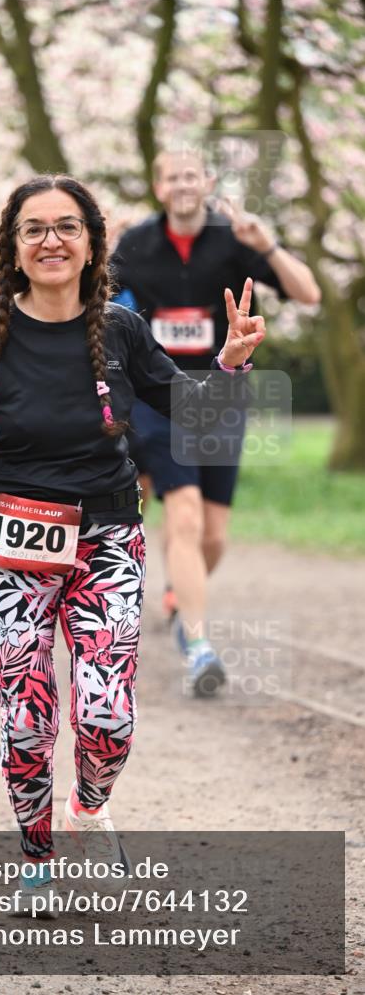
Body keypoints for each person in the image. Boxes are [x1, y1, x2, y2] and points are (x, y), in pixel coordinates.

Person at [0, 174, 266, 905]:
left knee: (107, 715)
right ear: (13, 247)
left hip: (105, 541)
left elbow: (192, 414)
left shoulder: (122, 331)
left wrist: (229, 363)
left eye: (66, 226)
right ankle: (37, 855)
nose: (51, 240)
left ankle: (88, 809)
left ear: (92, 242)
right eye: (33, 228)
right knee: (27, 719)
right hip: (11, 549)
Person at [111, 147, 321, 694]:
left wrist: (268, 246)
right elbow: (90, 304)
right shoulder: (135, 245)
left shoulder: (235, 239)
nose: (183, 184)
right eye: (171, 176)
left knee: (214, 534)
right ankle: (199, 646)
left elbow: (309, 293)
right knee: (181, 517)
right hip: (159, 397)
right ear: (159, 187)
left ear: (207, 182)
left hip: (223, 396)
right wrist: (106, 242)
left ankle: (185, 596)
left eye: (192, 175)